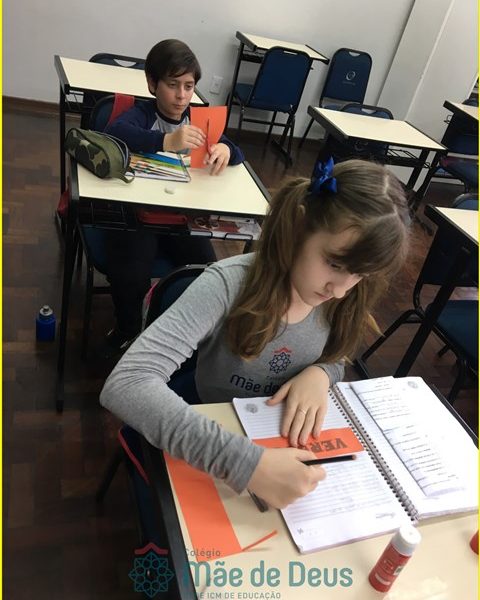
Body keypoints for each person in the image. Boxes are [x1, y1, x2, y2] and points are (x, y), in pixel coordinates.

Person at [100, 158, 411, 509]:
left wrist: (322, 373)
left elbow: (336, 354)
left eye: (359, 275)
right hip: (212, 424)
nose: (340, 290)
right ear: (300, 226)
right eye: (335, 264)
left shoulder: (346, 295)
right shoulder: (227, 285)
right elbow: (127, 383)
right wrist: (247, 464)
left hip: (275, 435)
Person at [102, 39, 244, 355]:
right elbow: (115, 133)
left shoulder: (199, 119)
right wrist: (167, 140)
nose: (181, 95)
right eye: (172, 85)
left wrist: (225, 148)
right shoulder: (142, 114)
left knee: (207, 271)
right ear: (153, 84)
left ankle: (185, 333)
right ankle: (127, 330)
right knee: (131, 275)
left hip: (180, 217)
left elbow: (236, 150)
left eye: (188, 86)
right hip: (138, 216)